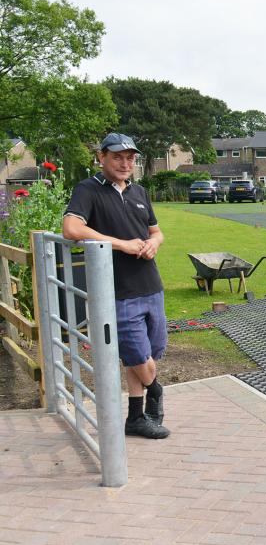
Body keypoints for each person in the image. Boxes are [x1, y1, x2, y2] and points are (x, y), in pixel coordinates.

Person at [62, 133, 170, 440]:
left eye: (130, 158)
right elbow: (71, 228)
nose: (125, 164)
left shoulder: (140, 192)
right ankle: (156, 392)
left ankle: (136, 418)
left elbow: (157, 232)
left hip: (151, 286)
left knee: (148, 355)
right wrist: (122, 244)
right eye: (117, 157)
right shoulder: (88, 189)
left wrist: (153, 243)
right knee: (139, 358)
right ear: (102, 157)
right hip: (118, 292)